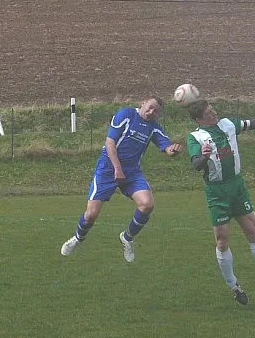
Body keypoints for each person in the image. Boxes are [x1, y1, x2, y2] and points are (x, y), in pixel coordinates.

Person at [186, 99, 255, 305]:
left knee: (254, 231)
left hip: (237, 187)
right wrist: (204, 157)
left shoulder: (228, 124)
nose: (215, 113)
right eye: (209, 113)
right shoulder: (195, 137)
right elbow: (196, 165)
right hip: (217, 192)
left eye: (213, 110)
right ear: (199, 119)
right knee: (222, 241)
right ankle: (234, 285)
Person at [61, 96, 183, 262]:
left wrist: (173, 149)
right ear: (143, 103)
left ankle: (127, 238)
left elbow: (166, 147)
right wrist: (117, 168)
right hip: (108, 168)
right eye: (150, 107)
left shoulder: (153, 128)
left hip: (132, 172)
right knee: (91, 215)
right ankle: (77, 238)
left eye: (156, 111)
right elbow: (110, 142)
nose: (151, 112)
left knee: (147, 204)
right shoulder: (126, 115)